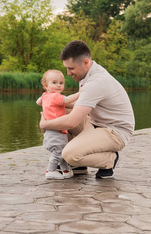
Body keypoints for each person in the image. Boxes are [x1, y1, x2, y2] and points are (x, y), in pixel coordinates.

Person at [40, 40, 135, 179]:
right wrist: (50, 106)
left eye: (71, 68)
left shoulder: (96, 82)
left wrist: (45, 124)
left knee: (69, 154)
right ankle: (79, 165)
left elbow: (72, 122)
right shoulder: (88, 73)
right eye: (66, 68)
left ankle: (109, 159)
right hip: (96, 123)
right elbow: (80, 105)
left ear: (85, 62)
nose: (68, 73)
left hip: (115, 131)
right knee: (58, 110)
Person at [36, 69, 80, 180]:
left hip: (52, 130)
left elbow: (38, 102)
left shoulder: (45, 95)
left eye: (61, 83)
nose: (58, 85)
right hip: (56, 131)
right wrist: (81, 93)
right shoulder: (56, 96)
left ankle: (65, 170)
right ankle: (50, 171)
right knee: (58, 153)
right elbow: (68, 99)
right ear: (46, 86)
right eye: (54, 83)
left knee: (62, 151)